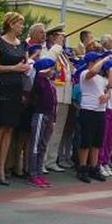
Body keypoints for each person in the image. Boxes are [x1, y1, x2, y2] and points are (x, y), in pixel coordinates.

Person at [0, 12, 30, 187]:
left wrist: (26, 67)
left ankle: (1, 167)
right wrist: (14, 67)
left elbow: (24, 64)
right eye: (19, 24)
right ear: (11, 24)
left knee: (10, 129)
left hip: (16, 88)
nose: (22, 27)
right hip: (1, 88)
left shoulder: (22, 44)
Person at [77, 51, 112, 183]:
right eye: (96, 61)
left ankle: (94, 167)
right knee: (86, 141)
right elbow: (92, 72)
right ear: (91, 63)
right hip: (88, 110)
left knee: (97, 143)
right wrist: (103, 60)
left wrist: (109, 69)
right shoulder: (84, 74)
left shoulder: (100, 78)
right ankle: (82, 168)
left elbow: (110, 85)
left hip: (100, 111)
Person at [41, 24, 72, 172]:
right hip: (53, 95)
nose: (63, 39)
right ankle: (42, 160)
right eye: (60, 36)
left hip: (64, 96)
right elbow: (48, 63)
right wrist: (57, 46)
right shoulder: (49, 50)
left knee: (58, 130)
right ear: (53, 37)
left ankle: (51, 160)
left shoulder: (63, 54)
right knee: (49, 130)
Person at [26, 57, 57, 188]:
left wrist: (54, 119)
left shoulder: (49, 82)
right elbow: (34, 94)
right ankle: (33, 173)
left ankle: (39, 172)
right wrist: (41, 72)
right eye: (51, 68)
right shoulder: (39, 81)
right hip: (40, 114)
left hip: (49, 115)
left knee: (43, 144)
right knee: (35, 145)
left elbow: (54, 102)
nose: (53, 71)